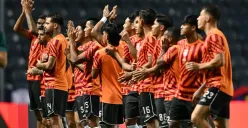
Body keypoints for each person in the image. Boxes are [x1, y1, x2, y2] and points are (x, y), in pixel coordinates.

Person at [188, 4, 233, 128]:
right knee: (220, 126)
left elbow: (220, 61)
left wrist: (198, 66)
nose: (197, 19)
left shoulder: (214, 35)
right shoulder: (213, 36)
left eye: (200, 16)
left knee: (196, 118)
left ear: (207, 18)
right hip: (222, 88)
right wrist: (202, 88)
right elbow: (215, 68)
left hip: (218, 87)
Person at [13, 0, 47, 127]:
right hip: (31, 78)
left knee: (45, 116)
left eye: (43, 24)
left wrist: (27, 11)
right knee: (38, 116)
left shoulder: (48, 40)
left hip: (41, 79)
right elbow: (16, 28)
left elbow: (32, 28)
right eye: (38, 23)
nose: (40, 26)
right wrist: (23, 13)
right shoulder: (33, 37)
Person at [67, 18, 102, 128]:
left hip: (89, 89)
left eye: (79, 30)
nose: (75, 33)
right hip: (79, 90)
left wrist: (72, 58)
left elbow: (84, 67)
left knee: (91, 122)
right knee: (80, 123)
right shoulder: (78, 48)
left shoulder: (93, 46)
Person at [36, 13, 68, 128]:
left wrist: (39, 64)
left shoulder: (55, 41)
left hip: (54, 84)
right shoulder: (63, 39)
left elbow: (50, 65)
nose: (45, 25)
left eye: (47, 23)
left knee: (54, 121)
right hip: (60, 85)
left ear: (55, 25)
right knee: (56, 119)